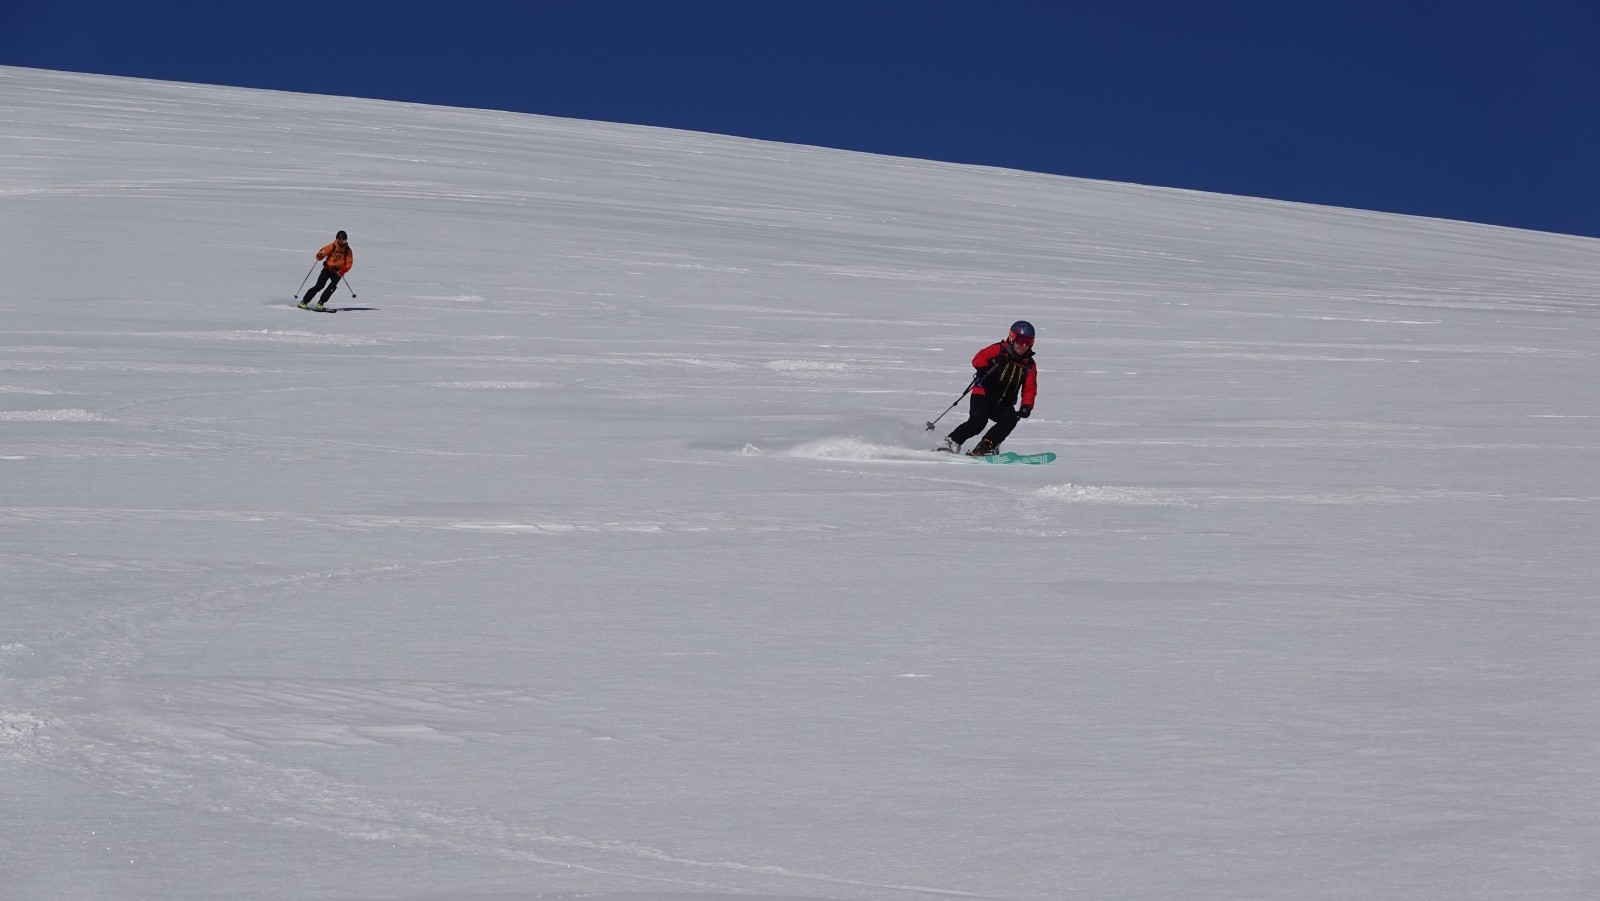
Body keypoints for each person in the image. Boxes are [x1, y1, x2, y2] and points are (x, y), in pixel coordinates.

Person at [936, 321, 1038, 456]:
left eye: (1029, 341)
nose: (1024, 345)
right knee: (978, 422)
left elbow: (1030, 387)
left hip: (1003, 401)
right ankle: (951, 442)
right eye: (1021, 340)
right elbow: (978, 359)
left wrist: (1027, 405)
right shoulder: (998, 349)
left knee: (1010, 419)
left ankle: (986, 446)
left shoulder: (1029, 364)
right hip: (983, 393)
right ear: (1012, 337)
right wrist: (989, 364)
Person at [299, 231, 354, 310]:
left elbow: (349, 263)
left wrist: (343, 270)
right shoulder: (332, 246)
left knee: (332, 287)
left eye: (344, 240)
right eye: (340, 240)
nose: (342, 242)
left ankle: (320, 303)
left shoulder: (348, 250)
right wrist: (319, 256)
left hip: (338, 272)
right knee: (319, 286)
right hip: (327, 269)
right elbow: (321, 253)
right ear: (337, 239)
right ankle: (304, 301)